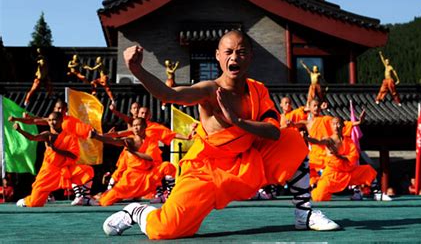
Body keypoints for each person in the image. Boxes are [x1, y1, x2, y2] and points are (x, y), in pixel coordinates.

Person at [103, 30, 340, 239]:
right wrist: (137, 70)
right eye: (228, 52)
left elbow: (273, 132)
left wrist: (237, 121)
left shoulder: (258, 90)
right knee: (166, 229)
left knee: (293, 140)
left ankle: (305, 214)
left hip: (247, 160)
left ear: (251, 56)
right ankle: (138, 211)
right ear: (218, 56)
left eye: (241, 52)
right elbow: (169, 95)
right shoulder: (209, 90)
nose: (234, 57)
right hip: (205, 171)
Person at [14, 112, 96, 207]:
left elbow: (73, 155)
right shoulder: (47, 135)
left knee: (87, 170)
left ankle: (84, 198)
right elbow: (33, 138)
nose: (51, 122)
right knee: (35, 203)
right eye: (49, 120)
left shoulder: (70, 136)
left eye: (54, 120)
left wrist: (56, 149)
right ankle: (25, 201)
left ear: (61, 121)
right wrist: (20, 130)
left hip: (64, 169)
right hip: (48, 172)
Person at [305, 117, 377, 202]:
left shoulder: (348, 141)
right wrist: (306, 138)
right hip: (332, 174)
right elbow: (317, 141)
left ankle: (377, 192)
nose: (336, 126)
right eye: (334, 124)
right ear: (331, 126)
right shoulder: (329, 140)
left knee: (368, 170)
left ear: (343, 125)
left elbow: (354, 156)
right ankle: (314, 188)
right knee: (319, 197)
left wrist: (339, 156)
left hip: (347, 172)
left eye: (338, 123)